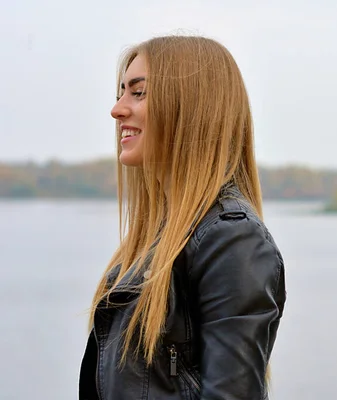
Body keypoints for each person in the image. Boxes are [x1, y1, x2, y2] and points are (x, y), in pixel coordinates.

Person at [78, 35, 287, 400]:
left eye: (138, 93)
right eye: (121, 93)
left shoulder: (230, 240)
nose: (118, 110)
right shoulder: (158, 241)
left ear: (191, 106)